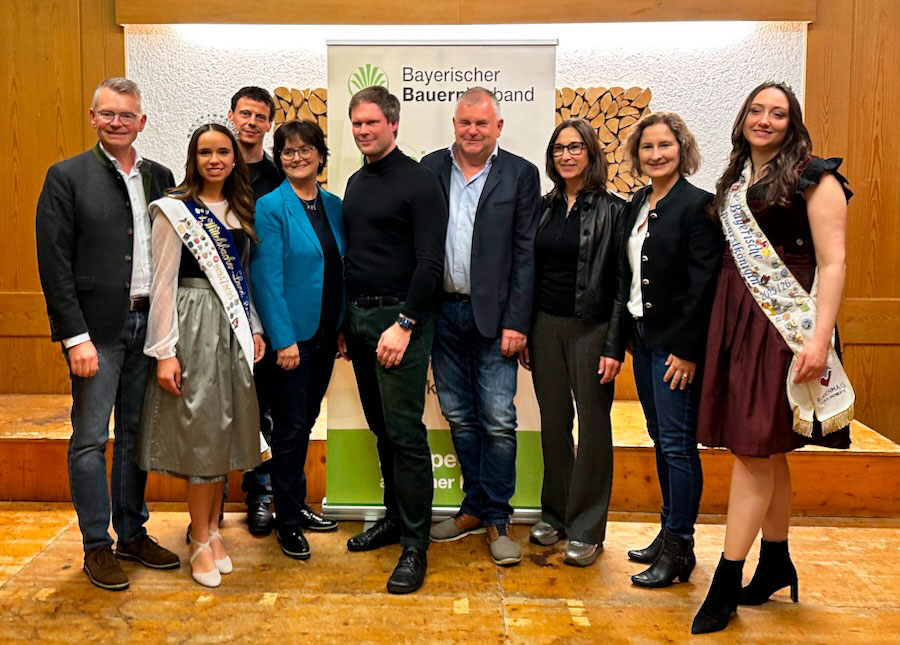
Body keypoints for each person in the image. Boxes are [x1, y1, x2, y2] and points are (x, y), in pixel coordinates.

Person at [691, 82, 854, 634]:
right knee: (766, 446)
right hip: (736, 316)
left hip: (785, 326)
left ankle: (726, 581)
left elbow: (833, 264)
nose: (765, 120)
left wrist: (819, 340)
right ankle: (777, 560)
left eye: (777, 113)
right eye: (757, 111)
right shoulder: (736, 182)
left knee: (752, 449)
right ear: (742, 119)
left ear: (792, 122)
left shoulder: (816, 177)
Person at [35, 77, 180, 591]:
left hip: (150, 326)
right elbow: (53, 263)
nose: (118, 122)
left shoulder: (161, 177)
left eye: (128, 115)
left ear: (142, 121)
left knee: (138, 437)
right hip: (96, 332)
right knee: (91, 438)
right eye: (108, 114)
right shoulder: (66, 177)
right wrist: (75, 337)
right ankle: (97, 544)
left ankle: (133, 533)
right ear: (93, 117)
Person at [137, 123, 267, 588]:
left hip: (230, 332)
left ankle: (212, 531)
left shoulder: (239, 209)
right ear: (193, 158)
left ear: (235, 159)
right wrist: (165, 352)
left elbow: (244, 282)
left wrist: (252, 328)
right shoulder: (174, 210)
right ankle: (197, 542)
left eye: (223, 152)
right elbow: (163, 284)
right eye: (205, 152)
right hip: (191, 328)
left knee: (222, 433)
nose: (215, 159)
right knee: (200, 435)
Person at [420, 88, 540, 567]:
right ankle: (472, 507)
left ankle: (498, 517)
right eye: (466, 122)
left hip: (496, 320)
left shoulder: (520, 174)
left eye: (482, 124)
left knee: (497, 420)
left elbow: (527, 253)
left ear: (498, 127)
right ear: (455, 123)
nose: (473, 130)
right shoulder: (429, 168)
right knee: (459, 415)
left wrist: (517, 321)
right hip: (441, 313)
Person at [339, 86, 448, 594]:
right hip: (359, 321)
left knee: (405, 435)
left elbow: (429, 263)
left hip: (399, 322)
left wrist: (404, 324)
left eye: (372, 124)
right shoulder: (357, 182)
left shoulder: (420, 182)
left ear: (393, 125)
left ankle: (415, 546)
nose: (363, 131)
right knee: (382, 429)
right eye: (357, 124)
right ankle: (394, 519)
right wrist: (346, 322)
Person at [619, 113, 723, 587]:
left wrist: (687, 350)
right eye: (647, 147)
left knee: (679, 447)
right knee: (661, 439)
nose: (656, 154)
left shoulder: (699, 206)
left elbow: (704, 285)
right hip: (642, 339)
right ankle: (668, 532)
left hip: (675, 348)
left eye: (665, 145)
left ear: (682, 149)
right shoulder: (638, 202)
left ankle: (681, 546)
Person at [519, 118, 626, 567]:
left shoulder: (615, 210)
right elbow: (528, 271)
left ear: (591, 154)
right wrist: (524, 328)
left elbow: (623, 283)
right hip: (545, 327)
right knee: (554, 424)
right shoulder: (543, 207)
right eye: (559, 148)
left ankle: (587, 527)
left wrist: (614, 345)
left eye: (575, 147)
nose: (566, 155)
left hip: (593, 330)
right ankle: (556, 515)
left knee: (595, 428)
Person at [251, 119, 344, 560]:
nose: (297, 157)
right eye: (288, 151)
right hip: (293, 342)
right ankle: (287, 522)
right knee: (289, 430)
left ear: (320, 155)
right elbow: (266, 278)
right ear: (279, 158)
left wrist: (341, 326)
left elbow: (340, 269)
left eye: (306, 150)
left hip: (326, 335)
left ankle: (297, 505)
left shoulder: (334, 205)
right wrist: (283, 339)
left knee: (304, 425)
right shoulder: (270, 206)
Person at [227, 86, 282, 535]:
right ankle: (205, 503)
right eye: (245, 113)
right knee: (217, 405)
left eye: (260, 116)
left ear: (269, 124)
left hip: (261, 306)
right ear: (232, 115)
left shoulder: (280, 176)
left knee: (264, 405)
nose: (251, 122)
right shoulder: (213, 168)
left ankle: (260, 493)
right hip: (213, 307)